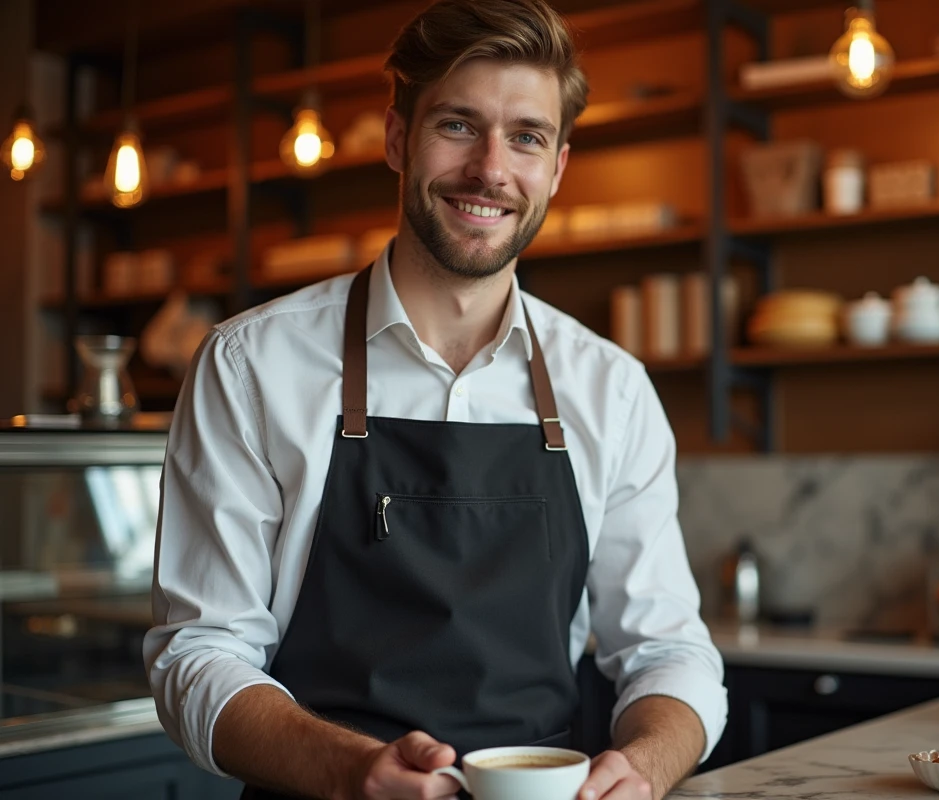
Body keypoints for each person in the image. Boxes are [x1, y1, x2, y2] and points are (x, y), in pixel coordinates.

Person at [143, 1, 726, 798]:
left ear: (556, 167)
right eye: (458, 125)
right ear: (397, 139)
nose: (491, 169)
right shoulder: (251, 364)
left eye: (527, 136)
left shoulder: (611, 388)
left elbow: (668, 650)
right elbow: (198, 655)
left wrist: (648, 765)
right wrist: (351, 770)